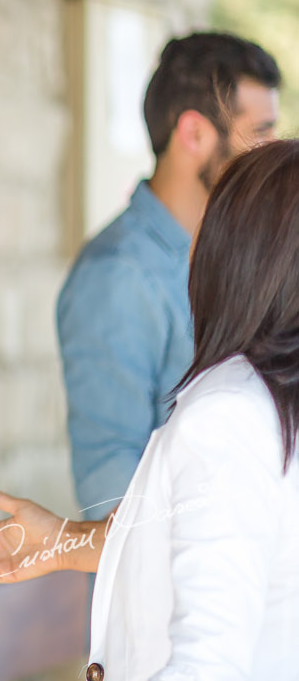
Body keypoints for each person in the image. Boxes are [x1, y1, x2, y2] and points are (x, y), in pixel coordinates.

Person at [0, 139, 299, 680]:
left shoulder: (228, 418)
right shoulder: (267, 403)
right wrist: (66, 542)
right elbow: (219, 536)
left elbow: (206, 663)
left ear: (238, 256)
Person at [58, 33, 280, 520]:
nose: (272, 154)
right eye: (260, 133)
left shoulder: (242, 254)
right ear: (195, 134)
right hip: (172, 589)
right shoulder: (117, 274)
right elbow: (110, 487)